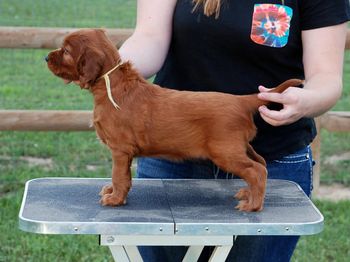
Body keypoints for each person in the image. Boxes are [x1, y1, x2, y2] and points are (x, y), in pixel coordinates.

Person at [118, 0, 350, 261]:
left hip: (273, 161)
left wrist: (308, 99)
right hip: (173, 159)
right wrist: (113, 68)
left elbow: (326, 77)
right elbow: (149, 37)